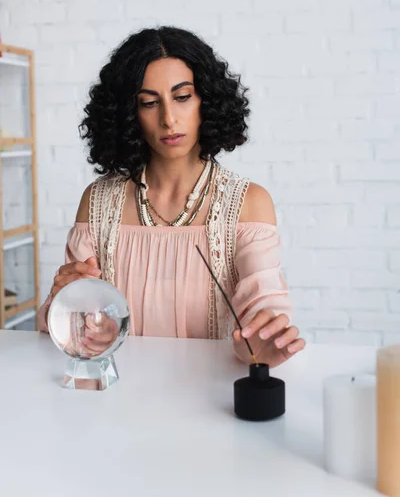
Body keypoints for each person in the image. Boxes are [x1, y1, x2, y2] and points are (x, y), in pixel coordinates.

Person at [38, 26, 305, 368]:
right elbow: (67, 330)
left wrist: (260, 341)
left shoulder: (248, 203)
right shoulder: (97, 203)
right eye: (149, 103)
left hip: (208, 403)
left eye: (182, 97)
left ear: (206, 101)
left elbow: (263, 304)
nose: (168, 119)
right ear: (129, 114)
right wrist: (66, 305)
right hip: (115, 402)